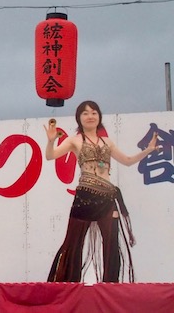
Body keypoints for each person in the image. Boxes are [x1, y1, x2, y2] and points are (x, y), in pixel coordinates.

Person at [45, 100, 159, 283]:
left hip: (107, 197)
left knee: (111, 244)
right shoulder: (75, 140)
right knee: (73, 243)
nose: (90, 116)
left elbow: (128, 160)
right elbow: (50, 156)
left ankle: (110, 286)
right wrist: (51, 141)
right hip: (85, 197)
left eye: (94, 113)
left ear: (99, 117)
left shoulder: (107, 142)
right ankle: (68, 286)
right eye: (85, 113)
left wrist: (148, 150)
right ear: (79, 118)